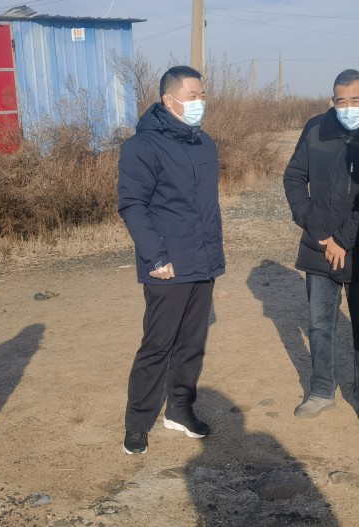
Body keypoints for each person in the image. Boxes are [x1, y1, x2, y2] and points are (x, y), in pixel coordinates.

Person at [117, 65, 224, 455]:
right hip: (167, 265)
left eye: (202, 95)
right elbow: (132, 205)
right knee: (158, 345)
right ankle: (137, 423)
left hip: (203, 260)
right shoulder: (142, 146)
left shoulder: (205, 143)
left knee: (192, 343)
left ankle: (180, 410)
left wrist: (213, 251)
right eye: (193, 96)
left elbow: (205, 206)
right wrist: (156, 257)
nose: (200, 102)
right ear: (169, 100)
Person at [283, 69, 359, 429]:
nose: (348, 107)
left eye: (355, 100)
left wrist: (343, 239)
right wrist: (315, 227)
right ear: (332, 100)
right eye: (341, 101)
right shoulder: (316, 128)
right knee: (319, 324)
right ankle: (320, 390)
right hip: (319, 246)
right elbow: (294, 176)